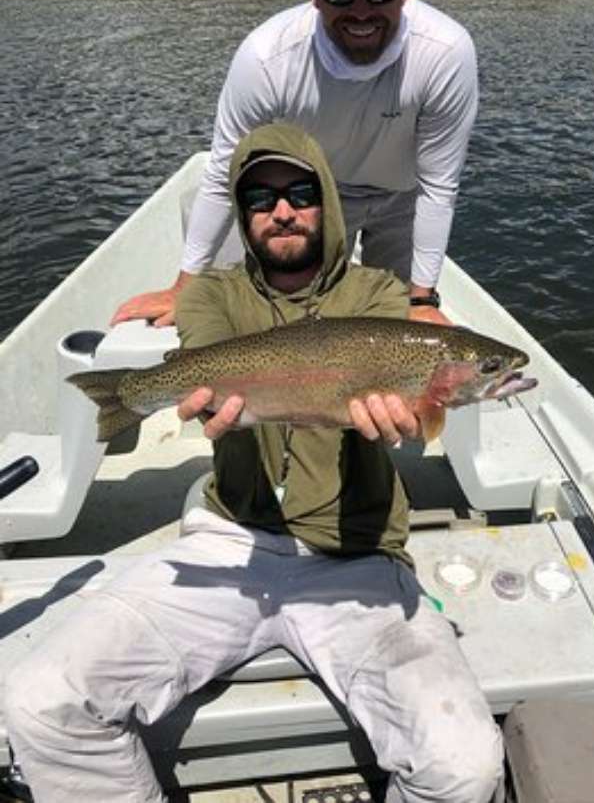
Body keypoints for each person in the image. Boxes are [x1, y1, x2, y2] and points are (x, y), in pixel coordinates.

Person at [4, 124, 504, 803]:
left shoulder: (379, 296)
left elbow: (416, 418)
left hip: (356, 556)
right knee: (39, 699)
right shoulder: (211, 294)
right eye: (261, 199)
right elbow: (208, 362)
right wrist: (179, 397)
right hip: (229, 543)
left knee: (466, 766)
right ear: (241, 215)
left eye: (300, 192)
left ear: (327, 202)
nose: (283, 210)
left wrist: (413, 421)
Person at [112, 0, 478, 327]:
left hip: (404, 200)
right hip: (314, 198)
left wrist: (421, 299)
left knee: (395, 326)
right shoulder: (265, 57)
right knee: (298, 320)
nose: (361, 9)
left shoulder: (446, 53)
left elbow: (438, 186)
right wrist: (185, 287)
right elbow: (222, 173)